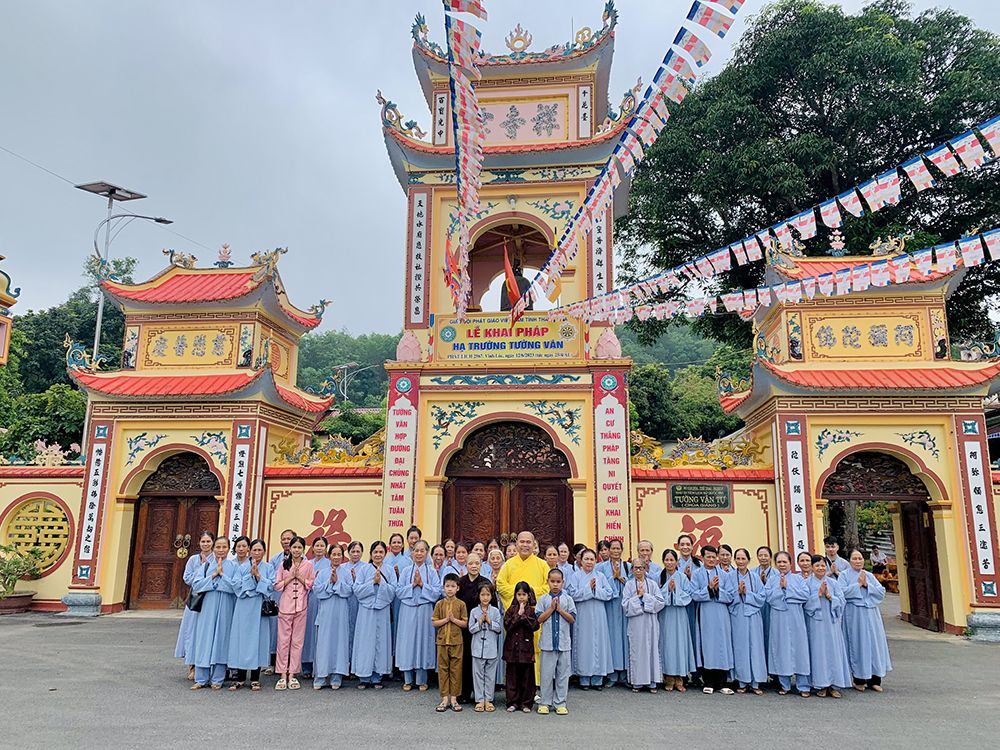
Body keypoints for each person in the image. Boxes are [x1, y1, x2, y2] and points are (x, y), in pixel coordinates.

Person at [496, 531, 550, 682]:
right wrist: (519, 595)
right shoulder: (509, 564)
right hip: (515, 616)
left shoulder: (542, 565)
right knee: (515, 647)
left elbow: (548, 587)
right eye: (522, 542)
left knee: (535, 647)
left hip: (533, 615)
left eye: (528, 542)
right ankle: (513, 686)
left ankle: (537, 683)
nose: (525, 545)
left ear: (534, 545)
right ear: (517, 544)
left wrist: (530, 593)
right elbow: (500, 585)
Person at [189, 536, 238, 689]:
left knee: (221, 640)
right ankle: (201, 679)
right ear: (213, 549)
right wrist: (213, 576)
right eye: (218, 547)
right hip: (207, 607)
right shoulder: (205, 566)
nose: (221, 550)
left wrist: (222, 576)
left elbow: (236, 587)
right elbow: (196, 585)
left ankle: (217, 679)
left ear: (229, 549)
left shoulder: (234, 566)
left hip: (226, 606)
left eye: (224, 547)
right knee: (205, 639)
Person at [841, 548, 891, 692]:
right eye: (855, 559)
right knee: (858, 644)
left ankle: (875, 680)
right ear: (849, 561)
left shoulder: (869, 575)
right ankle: (859, 679)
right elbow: (842, 592)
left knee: (874, 644)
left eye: (860, 558)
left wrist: (867, 585)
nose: (858, 561)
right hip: (854, 615)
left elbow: (881, 592)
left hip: (871, 614)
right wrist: (857, 585)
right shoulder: (844, 575)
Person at [395, 540, 442, 691]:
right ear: (412, 553)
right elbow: (398, 591)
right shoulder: (406, 571)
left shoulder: (432, 571)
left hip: (424, 609)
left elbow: (437, 592)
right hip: (408, 609)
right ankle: (408, 679)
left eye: (422, 551)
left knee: (424, 642)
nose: (419, 554)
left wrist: (422, 585)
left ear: (427, 553)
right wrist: (412, 585)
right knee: (407, 642)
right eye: (416, 551)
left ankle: (422, 679)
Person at [227, 538, 273, 691]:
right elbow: (236, 585)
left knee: (257, 641)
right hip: (244, 606)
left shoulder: (268, 567)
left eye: (260, 550)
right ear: (250, 551)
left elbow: (271, 586)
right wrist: (249, 576)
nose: (257, 553)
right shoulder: (242, 567)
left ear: (264, 552)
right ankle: (240, 678)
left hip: (259, 606)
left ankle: (255, 678)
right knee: (242, 640)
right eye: (254, 550)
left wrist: (259, 577)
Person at [765, 551, 812, 697]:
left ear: (791, 563)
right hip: (779, 618)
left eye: (784, 562)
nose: (782, 565)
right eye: (779, 562)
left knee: (800, 649)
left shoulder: (799, 579)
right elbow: (768, 597)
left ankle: (803, 685)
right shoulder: (772, 580)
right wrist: (780, 589)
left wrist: (787, 589)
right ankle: (784, 684)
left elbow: (805, 595)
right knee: (781, 648)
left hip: (795, 618)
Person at [804, 556, 852, 698]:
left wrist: (830, 597)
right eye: (817, 565)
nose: (820, 568)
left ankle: (834, 685)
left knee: (833, 651)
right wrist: (818, 595)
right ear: (812, 568)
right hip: (815, 623)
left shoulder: (833, 583)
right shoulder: (806, 583)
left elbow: (842, 601)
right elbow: (804, 602)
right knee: (818, 652)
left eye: (822, 565)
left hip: (832, 623)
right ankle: (821, 685)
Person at [352, 540, 397, 689]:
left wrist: (381, 584)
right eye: (375, 552)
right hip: (366, 609)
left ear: (385, 554)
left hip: (382, 609)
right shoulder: (364, 570)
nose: (378, 555)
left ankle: (378, 676)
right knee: (365, 640)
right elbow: (357, 589)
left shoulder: (389, 570)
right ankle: (364, 676)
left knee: (380, 641)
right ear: (371, 554)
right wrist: (372, 583)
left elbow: (393, 590)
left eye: (381, 552)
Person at [691, 545, 734, 694]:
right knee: (707, 645)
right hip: (705, 613)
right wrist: (709, 589)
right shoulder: (696, 574)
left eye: (713, 556)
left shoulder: (725, 575)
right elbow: (694, 594)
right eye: (707, 557)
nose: (711, 559)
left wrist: (718, 590)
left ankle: (722, 683)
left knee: (722, 645)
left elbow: (730, 596)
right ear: (702, 558)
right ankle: (708, 682)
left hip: (721, 614)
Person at [273, 535, 315, 690]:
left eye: (300, 547)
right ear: (289, 549)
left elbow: (312, 584)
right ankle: (282, 674)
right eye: (294, 547)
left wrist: (301, 579)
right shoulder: (284, 564)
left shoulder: (308, 565)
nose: (297, 550)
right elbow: (276, 586)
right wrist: (291, 577)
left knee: (297, 641)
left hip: (301, 606)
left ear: (303, 550)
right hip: (285, 606)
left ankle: (293, 674)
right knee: (283, 641)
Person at [568, 549, 613, 690]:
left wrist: (595, 591)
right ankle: (584, 678)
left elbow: (608, 594)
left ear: (596, 561)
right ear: (581, 560)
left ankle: (598, 679)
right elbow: (572, 594)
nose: (589, 562)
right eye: (586, 559)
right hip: (583, 615)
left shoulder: (601, 576)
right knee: (584, 643)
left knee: (599, 643)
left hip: (599, 615)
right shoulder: (575, 577)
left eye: (592, 559)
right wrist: (589, 589)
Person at [536, 568, 576, 715]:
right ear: (547, 582)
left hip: (564, 643)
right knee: (546, 674)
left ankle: (560, 702)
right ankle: (545, 702)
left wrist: (559, 610)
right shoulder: (543, 600)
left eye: (558, 582)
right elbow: (539, 619)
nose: (555, 585)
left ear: (563, 582)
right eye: (552, 581)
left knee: (563, 674)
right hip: (547, 644)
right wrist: (551, 609)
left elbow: (572, 619)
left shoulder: (568, 599)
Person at [176, 530, 215, 680]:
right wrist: (202, 568)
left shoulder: (217, 558)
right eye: (203, 541)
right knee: (191, 631)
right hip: (195, 599)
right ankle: (192, 666)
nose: (206, 544)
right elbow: (188, 579)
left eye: (208, 541)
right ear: (199, 543)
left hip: (210, 599)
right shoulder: (193, 560)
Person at [622, 558, 664, 693]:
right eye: (636, 568)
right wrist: (638, 598)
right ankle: (637, 682)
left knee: (651, 650)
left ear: (646, 569)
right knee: (637, 650)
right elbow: (625, 606)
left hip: (651, 622)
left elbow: (660, 603)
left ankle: (652, 682)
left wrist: (645, 597)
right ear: (632, 570)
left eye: (641, 568)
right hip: (636, 623)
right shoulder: (628, 586)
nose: (638, 570)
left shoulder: (652, 585)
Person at [729, 548, 768, 694]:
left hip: (754, 616)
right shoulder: (730, 577)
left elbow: (762, 597)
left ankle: (755, 682)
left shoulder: (756, 578)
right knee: (741, 647)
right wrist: (737, 592)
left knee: (755, 647)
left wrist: (747, 594)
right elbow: (726, 597)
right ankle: (742, 681)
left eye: (743, 559)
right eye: (737, 559)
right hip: (738, 616)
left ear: (748, 560)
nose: (740, 562)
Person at [312, 544, 351, 689]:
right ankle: (320, 676)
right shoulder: (322, 573)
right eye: (333, 554)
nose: (336, 557)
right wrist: (330, 583)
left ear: (342, 556)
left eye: (339, 554)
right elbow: (316, 590)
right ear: (328, 556)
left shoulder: (346, 573)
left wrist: (338, 583)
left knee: (339, 642)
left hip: (341, 611)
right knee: (323, 642)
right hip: (326, 611)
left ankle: (336, 675)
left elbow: (349, 591)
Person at [658, 550, 696, 691]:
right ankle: (668, 678)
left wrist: (675, 593)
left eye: (671, 560)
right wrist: (667, 591)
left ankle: (680, 678)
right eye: (666, 560)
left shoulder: (682, 577)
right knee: (667, 645)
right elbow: (655, 596)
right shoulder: (659, 577)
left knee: (680, 645)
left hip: (680, 616)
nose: (669, 563)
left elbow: (688, 595)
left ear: (676, 562)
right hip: (665, 615)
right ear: (663, 561)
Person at [457, 553, 492, 703]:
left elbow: (493, 605)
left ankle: (480, 694)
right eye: (471, 563)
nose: (474, 566)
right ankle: (464, 693)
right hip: (464, 627)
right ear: (466, 565)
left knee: (479, 661)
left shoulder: (485, 582)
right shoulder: (461, 582)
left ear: (481, 565)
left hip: (482, 627)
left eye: (477, 563)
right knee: (465, 659)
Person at [595, 538, 631, 686]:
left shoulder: (628, 566)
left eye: (618, 548)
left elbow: (635, 584)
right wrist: (612, 578)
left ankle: (625, 674)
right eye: (613, 549)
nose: (615, 551)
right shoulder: (601, 568)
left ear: (622, 550)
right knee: (612, 639)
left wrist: (622, 579)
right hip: (610, 606)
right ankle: (612, 675)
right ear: (608, 550)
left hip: (625, 606)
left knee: (625, 638)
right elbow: (600, 585)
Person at [432, 573, 469, 712]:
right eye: (447, 586)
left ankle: (454, 698)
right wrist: (446, 620)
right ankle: (444, 699)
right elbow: (435, 622)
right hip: (442, 642)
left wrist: (453, 620)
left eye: (453, 586)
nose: (450, 589)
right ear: (443, 588)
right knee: (442, 669)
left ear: (458, 588)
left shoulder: (461, 604)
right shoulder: (439, 604)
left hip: (456, 642)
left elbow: (465, 623)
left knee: (456, 670)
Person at [503, 581, 539, 713]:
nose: (521, 597)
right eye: (519, 594)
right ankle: (512, 702)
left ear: (529, 595)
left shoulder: (532, 611)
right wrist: (518, 615)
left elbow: (535, 626)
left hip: (526, 649)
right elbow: (507, 626)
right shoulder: (511, 610)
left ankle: (526, 703)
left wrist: (524, 616)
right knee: (512, 677)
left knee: (527, 678)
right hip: (512, 649)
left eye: (524, 594)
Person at [469, 580, 503, 712]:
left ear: (491, 596)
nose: (485, 598)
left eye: (488, 595)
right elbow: (471, 628)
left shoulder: (495, 611)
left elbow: (498, 628)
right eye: (482, 595)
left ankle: (488, 699)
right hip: (477, 649)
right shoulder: (474, 612)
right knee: (478, 675)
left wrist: (489, 621)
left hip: (491, 648)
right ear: (479, 596)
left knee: (490, 675)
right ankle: (479, 699)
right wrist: (480, 622)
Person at [266, 528, 296, 672]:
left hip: (294, 599)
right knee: (275, 631)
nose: (285, 541)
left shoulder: (302, 559)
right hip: (278, 598)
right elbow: (272, 579)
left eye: (288, 539)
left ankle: (290, 663)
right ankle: (273, 663)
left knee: (291, 631)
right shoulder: (275, 559)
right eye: (283, 539)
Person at [301, 536, 329, 678]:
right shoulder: (307, 564)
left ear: (326, 548)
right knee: (307, 631)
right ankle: (306, 665)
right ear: (312, 548)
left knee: (322, 633)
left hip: (324, 601)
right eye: (316, 545)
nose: (319, 548)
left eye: (322, 546)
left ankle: (321, 665)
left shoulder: (330, 565)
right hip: (308, 600)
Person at [675, 533, 702, 683]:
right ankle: (683, 672)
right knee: (682, 638)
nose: (685, 547)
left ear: (693, 547)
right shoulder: (674, 564)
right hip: (680, 607)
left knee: (695, 637)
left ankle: (697, 673)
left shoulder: (699, 565)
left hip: (695, 607)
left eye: (688, 544)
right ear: (678, 547)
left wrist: (691, 579)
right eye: (682, 544)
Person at [344, 540, 365, 664]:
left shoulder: (366, 568)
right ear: (348, 553)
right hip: (346, 603)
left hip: (359, 603)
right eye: (353, 551)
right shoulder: (342, 567)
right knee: (345, 633)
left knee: (358, 632)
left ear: (362, 553)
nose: (355, 554)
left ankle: (356, 664)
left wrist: (357, 580)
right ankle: (345, 664)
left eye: (358, 551)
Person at [751, 545, 775, 647]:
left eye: (766, 555)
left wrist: (767, 583)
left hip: (770, 606)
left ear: (770, 558)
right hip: (757, 607)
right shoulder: (752, 572)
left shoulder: (776, 573)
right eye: (760, 555)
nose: (763, 558)